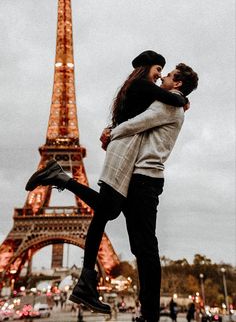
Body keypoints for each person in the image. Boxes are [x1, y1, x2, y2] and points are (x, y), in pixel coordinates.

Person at [25, 51, 197, 319]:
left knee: (136, 239)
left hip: (143, 177)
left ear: (177, 83)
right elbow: (139, 117)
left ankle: (60, 179)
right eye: (160, 69)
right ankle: (139, 308)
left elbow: (136, 124)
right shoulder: (162, 97)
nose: (163, 75)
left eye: (169, 73)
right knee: (137, 241)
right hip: (137, 176)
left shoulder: (169, 104)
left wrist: (111, 133)